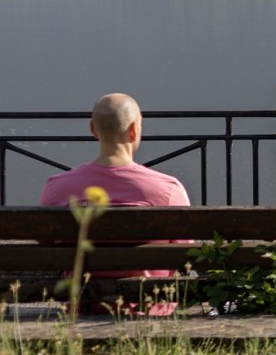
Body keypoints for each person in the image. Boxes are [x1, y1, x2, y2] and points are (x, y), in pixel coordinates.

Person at [39, 93, 191, 312]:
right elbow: (185, 252)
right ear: (134, 129)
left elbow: (46, 246)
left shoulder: (57, 188)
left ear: (93, 129)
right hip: (150, 309)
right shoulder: (168, 189)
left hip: (82, 308)